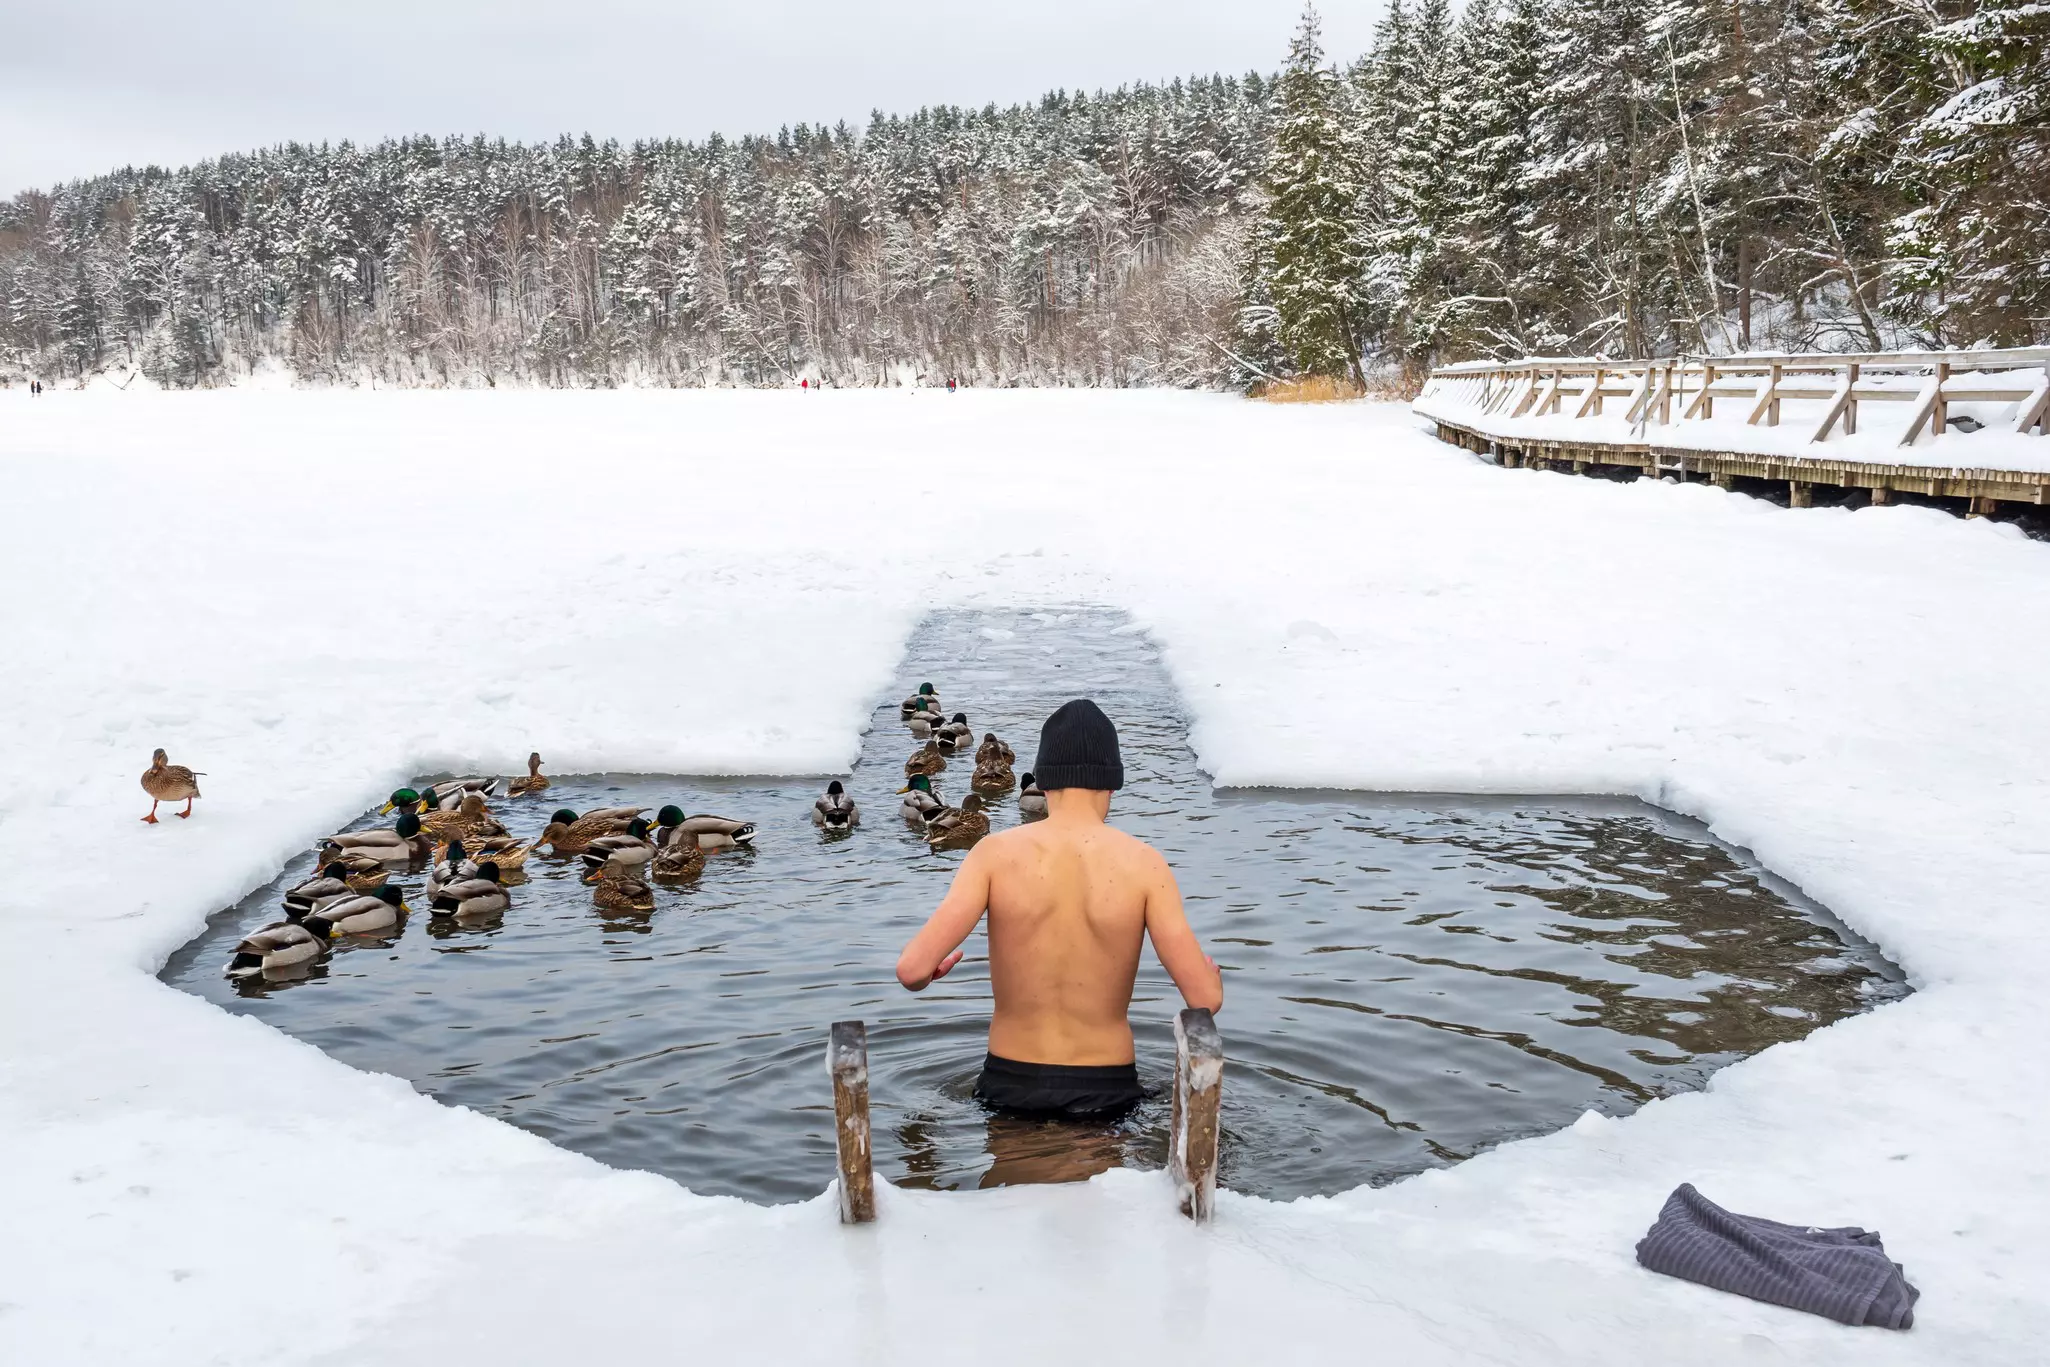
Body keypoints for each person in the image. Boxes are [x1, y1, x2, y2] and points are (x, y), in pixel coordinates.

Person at [896, 698, 1222, 1118]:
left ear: (1044, 782)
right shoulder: (1145, 864)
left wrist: (929, 974)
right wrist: (1210, 978)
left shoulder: (992, 854)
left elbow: (911, 971)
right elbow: (1203, 999)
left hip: (1009, 1080)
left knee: (1012, 1177)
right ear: (1113, 783)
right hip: (1106, 1084)